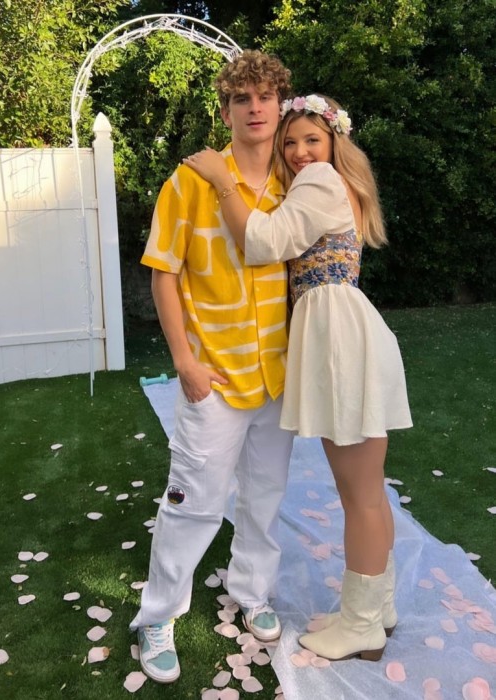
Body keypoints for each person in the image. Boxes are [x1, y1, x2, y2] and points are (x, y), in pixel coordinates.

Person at [184, 93, 413, 662]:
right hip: (349, 334)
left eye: (313, 139)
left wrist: (222, 180)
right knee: (368, 492)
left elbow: (262, 242)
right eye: (290, 142)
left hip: (340, 343)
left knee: (360, 496)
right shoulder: (335, 184)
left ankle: (361, 625)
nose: (300, 151)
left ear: (335, 140)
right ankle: (376, 608)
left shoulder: (318, 181)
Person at [129, 50, 295, 684]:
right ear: (224, 111)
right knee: (193, 502)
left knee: (265, 495)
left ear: (280, 105)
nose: (254, 108)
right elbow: (164, 273)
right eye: (241, 98)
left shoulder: (296, 181)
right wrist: (184, 362)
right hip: (214, 377)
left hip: (278, 375)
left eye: (265, 96)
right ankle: (157, 615)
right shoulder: (189, 182)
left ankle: (252, 591)